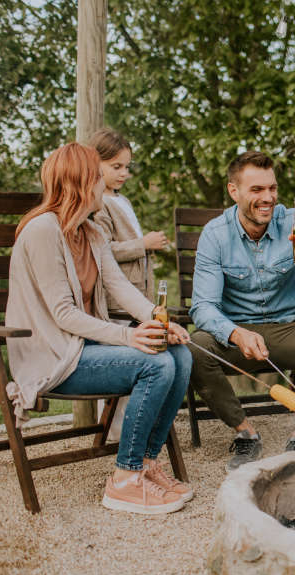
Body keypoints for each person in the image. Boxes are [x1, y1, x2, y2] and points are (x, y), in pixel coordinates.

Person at [5, 143, 193, 515]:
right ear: (81, 183)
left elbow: (119, 287)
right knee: (155, 364)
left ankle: (146, 464)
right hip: (55, 356)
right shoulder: (43, 230)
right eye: (98, 177)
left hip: (86, 347)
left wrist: (159, 320)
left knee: (181, 356)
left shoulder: (90, 231)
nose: (105, 185)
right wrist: (129, 336)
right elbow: (62, 314)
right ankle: (125, 479)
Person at [189, 151, 295, 469]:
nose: (267, 198)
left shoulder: (294, 221)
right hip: (238, 337)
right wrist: (234, 332)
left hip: (290, 330)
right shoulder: (215, 235)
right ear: (234, 191)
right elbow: (202, 307)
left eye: (272, 188)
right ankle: (245, 434)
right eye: (257, 190)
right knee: (196, 346)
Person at [88, 127, 170, 442]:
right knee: (121, 361)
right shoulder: (100, 205)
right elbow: (103, 250)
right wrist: (143, 244)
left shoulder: (122, 201)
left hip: (137, 295)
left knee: (141, 359)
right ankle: (115, 433)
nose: (124, 173)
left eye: (127, 166)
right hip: (114, 300)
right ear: (96, 164)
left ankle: (133, 427)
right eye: (116, 166)